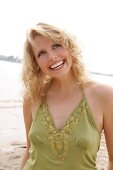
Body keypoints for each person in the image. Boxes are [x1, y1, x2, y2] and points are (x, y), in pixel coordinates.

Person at [20, 22, 113, 170]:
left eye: (56, 45)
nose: (52, 56)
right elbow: (29, 151)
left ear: (69, 46)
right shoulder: (32, 96)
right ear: (36, 62)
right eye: (41, 53)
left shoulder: (105, 96)